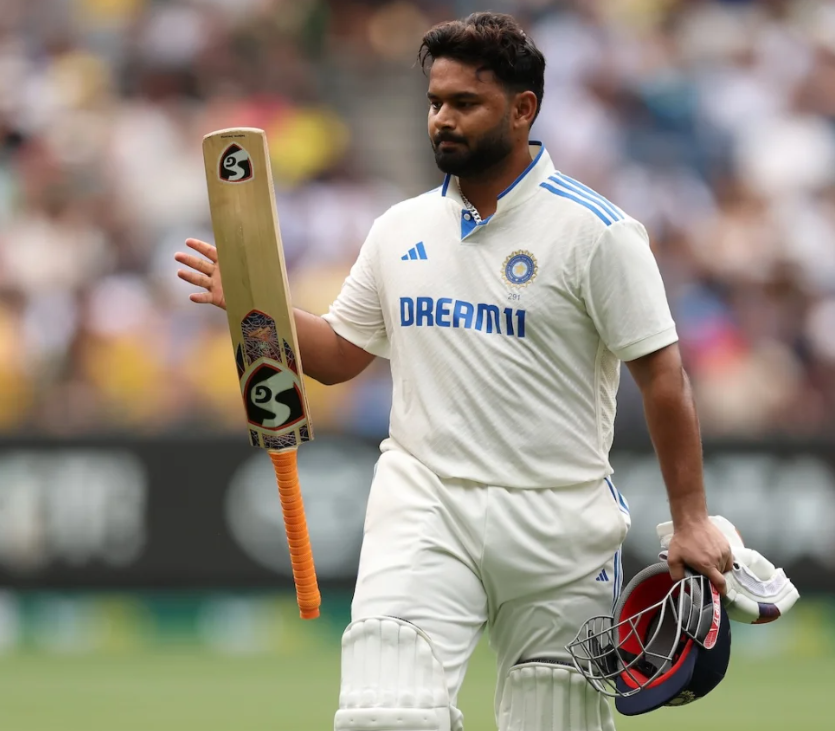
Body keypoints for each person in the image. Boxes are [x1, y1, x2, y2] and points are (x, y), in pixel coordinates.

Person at [175, 12, 733, 731]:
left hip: (559, 524)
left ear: (523, 108)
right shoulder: (399, 228)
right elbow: (342, 355)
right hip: (425, 503)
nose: (441, 119)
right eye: (435, 102)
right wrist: (257, 303)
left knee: (554, 719)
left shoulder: (599, 233)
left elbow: (663, 377)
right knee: (386, 716)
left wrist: (689, 516)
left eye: (464, 103)